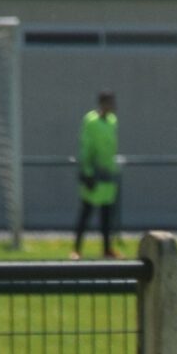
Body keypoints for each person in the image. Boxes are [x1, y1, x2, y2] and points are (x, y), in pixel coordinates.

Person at [71, 91, 120, 260]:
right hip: (93, 174)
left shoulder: (113, 121)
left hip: (107, 175)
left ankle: (107, 249)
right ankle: (76, 249)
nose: (113, 106)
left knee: (106, 215)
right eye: (110, 102)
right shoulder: (91, 120)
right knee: (86, 213)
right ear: (102, 103)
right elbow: (86, 146)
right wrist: (87, 172)